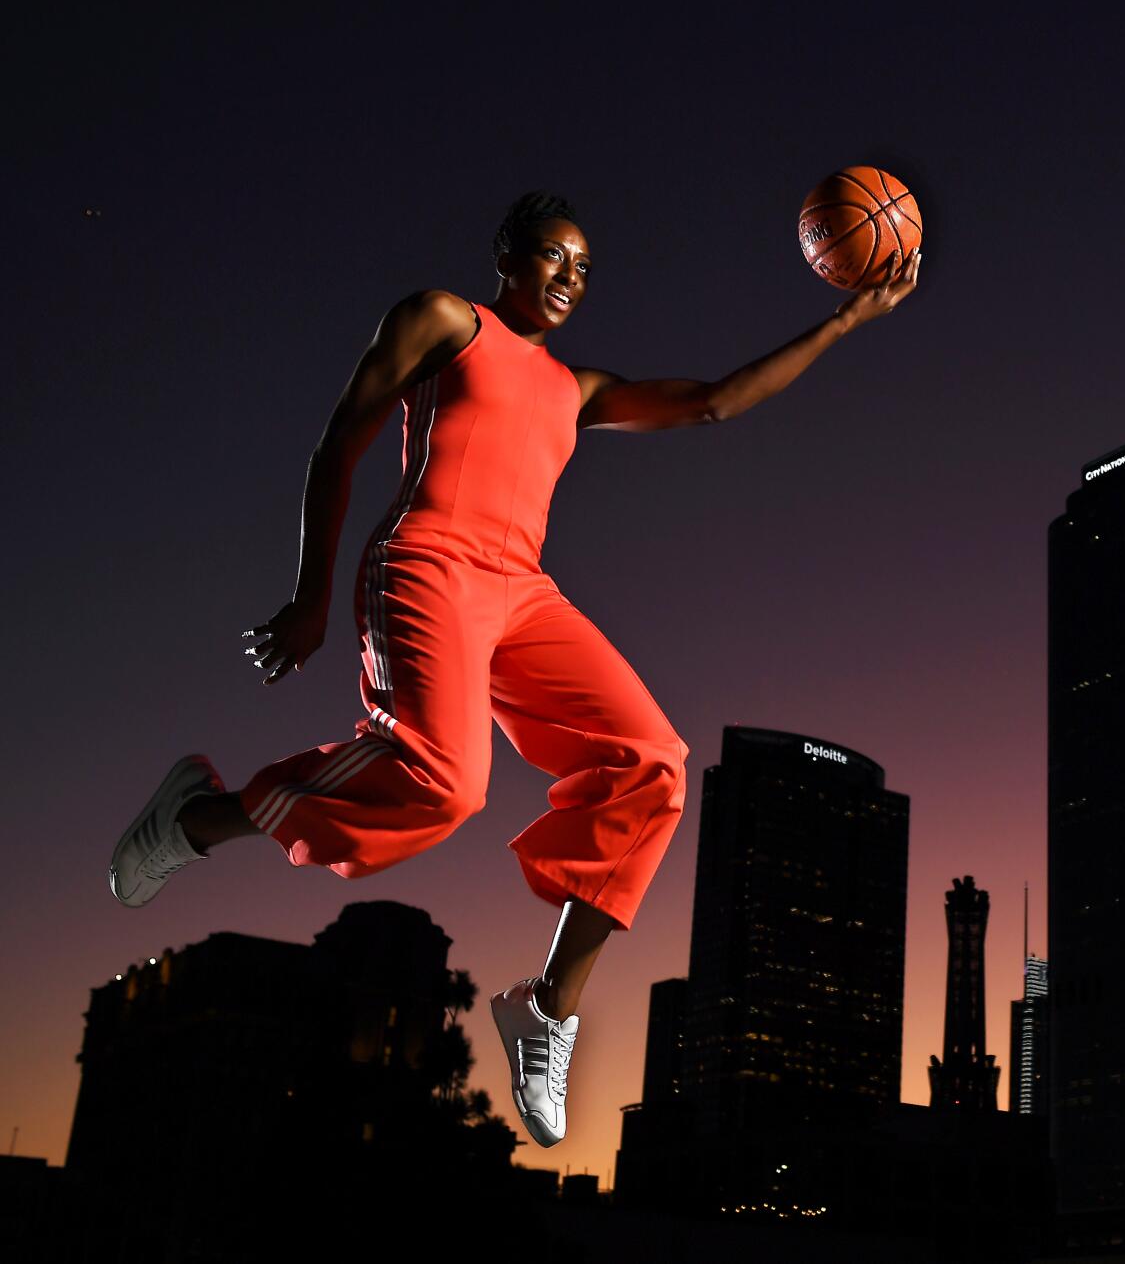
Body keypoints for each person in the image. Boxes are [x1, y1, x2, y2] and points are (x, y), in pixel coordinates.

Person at [109, 191, 921, 1147]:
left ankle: (546, 1008)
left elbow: (713, 400)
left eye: (584, 267)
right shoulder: (446, 319)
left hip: (521, 591)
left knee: (653, 758)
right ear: (508, 255)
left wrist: (844, 319)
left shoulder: (577, 388)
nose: (570, 277)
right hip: (427, 562)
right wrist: (312, 594)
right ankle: (197, 817)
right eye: (552, 256)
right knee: (447, 784)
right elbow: (342, 438)